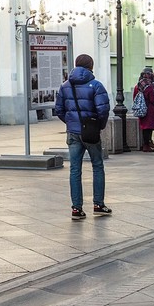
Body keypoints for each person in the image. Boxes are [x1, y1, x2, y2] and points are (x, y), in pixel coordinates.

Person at [52, 53, 111, 220]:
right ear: (90, 67)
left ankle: (76, 209)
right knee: (97, 166)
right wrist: (98, 125)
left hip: (73, 132)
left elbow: (59, 110)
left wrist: (71, 123)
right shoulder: (96, 85)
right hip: (91, 132)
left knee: (74, 169)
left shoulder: (65, 86)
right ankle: (98, 204)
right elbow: (103, 109)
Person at [131, 70, 154, 152]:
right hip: (149, 110)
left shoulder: (137, 86)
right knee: (148, 128)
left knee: (143, 127)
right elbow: (152, 99)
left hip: (140, 109)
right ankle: (147, 145)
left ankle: (144, 144)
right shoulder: (149, 87)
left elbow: (134, 98)